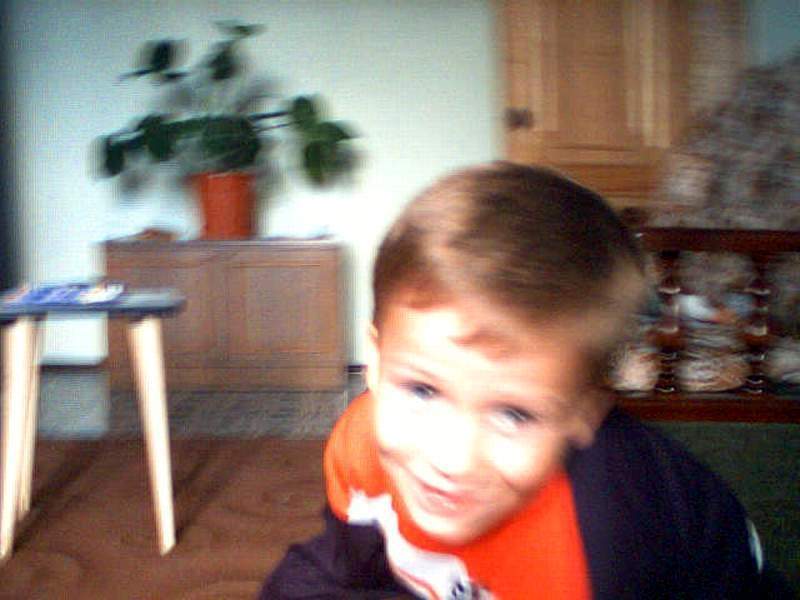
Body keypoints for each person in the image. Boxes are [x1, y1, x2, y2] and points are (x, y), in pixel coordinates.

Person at [261, 162, 772, 599]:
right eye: (422, 390)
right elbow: (346, 561)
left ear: (582, 414)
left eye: (513, 414)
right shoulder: (360, 443)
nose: (452, 461)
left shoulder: (600, 549)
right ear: (374, 362)